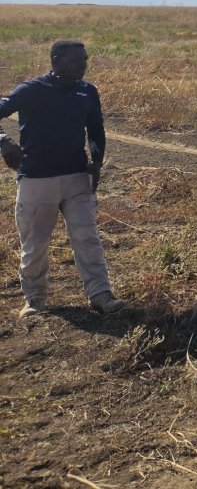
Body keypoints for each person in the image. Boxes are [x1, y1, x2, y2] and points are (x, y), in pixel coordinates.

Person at [0, 41, 123, 317]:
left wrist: (96, 163)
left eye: (85, 60)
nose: (83, 66)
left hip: (77, 177)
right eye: (76, 61)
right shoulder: (31, 90)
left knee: (87, 236)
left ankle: (100, 294)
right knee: (35, 244)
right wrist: (4, 142)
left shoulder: (87, 91)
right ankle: (34, 299)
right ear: (56, 61)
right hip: (37, 179)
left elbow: (95, 129)